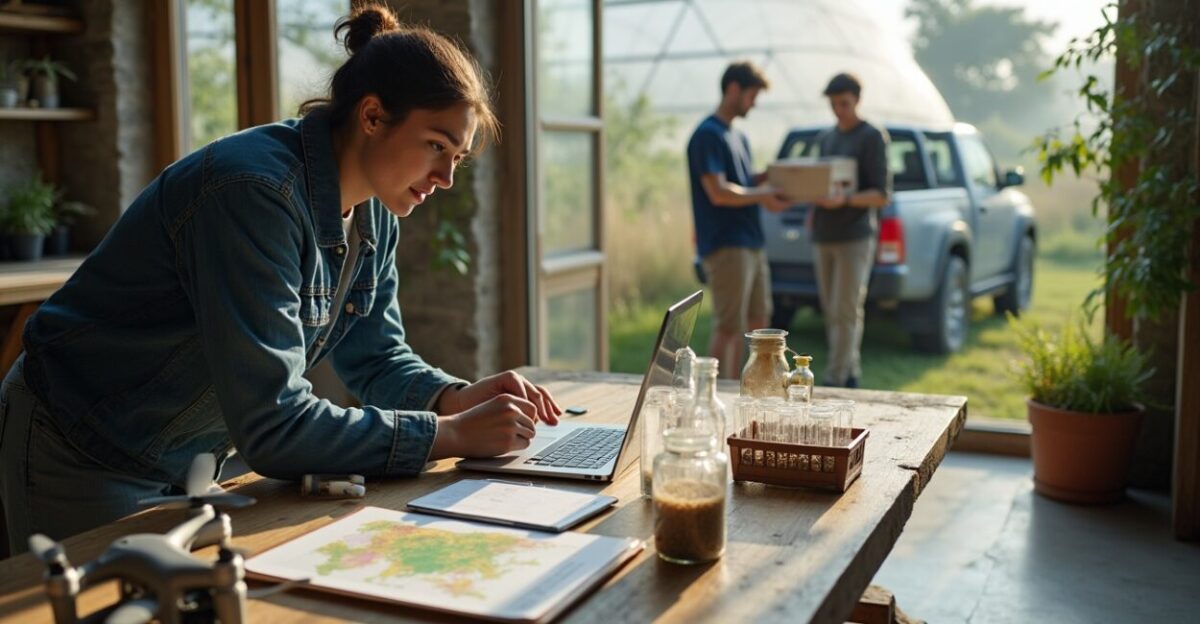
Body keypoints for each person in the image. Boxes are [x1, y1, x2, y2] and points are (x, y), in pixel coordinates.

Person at [0, 4, 562, 554]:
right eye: (436, 146)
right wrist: (453, 435)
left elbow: (376, 359)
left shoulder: (375, 215)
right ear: (371, 117)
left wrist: (454, 398)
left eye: (457, 158)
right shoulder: (252, 194)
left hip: (186, 458)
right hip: (80, 448)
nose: (444, 178)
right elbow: (274, 424)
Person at [686, 61, 790, 378]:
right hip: (727, 245)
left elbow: (743, 182)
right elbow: (719, 192)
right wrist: (764, 193)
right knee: (729, 326)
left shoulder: (738, 137)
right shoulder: (707, 135)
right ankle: (719, 394)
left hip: (752, 243)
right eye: (751, 95)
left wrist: (774, 179)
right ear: (733, 89)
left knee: (759, 323)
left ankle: (755, 389)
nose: (754, 103)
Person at [810, 73, 892, 388]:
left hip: (854, 236)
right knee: (831, 309)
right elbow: (818, 182)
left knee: (845, 309)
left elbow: (881, 194)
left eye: (843, 103)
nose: (838, 110)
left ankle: (836, 377)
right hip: (823, 234)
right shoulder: (826, 138)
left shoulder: (871, 136)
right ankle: (851, 372)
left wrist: (844, 200)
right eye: (833, 104)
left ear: (857, 100)